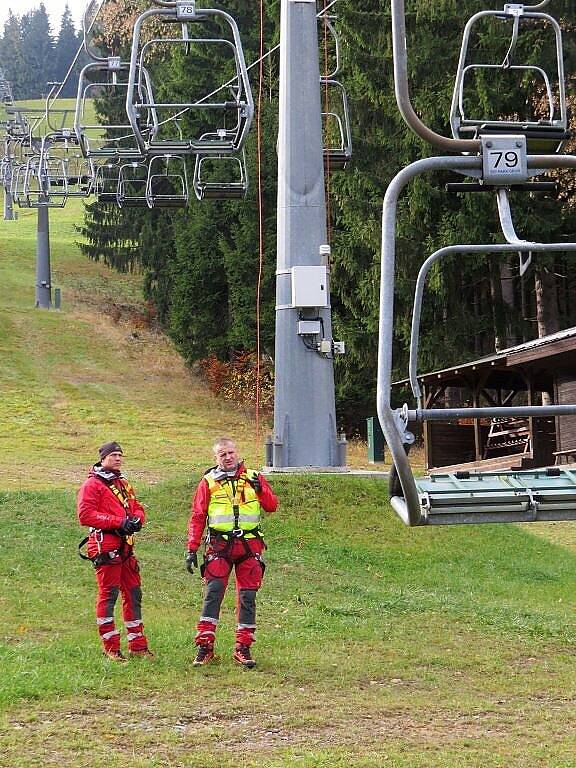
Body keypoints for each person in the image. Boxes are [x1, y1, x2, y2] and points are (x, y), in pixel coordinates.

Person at [186, 437, 278, 668]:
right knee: (213, 594)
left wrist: (261, 490)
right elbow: (197, 517)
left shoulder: (254, 477)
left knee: (248, 597)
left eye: (231, 453)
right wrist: (191, 549)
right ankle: (204, 647)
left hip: (249, 546)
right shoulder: (207, 482)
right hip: (219, 546)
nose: (228, 457)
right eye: (222, 454)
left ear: (237, 453)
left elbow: (271, 506)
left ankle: (243, 648)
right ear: (215, 458)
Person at [77, 441, 153, 661]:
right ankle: (110, 647)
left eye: (120, 455)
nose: (118, 459)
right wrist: (119, 522)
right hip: (105, 545)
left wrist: (138, 519)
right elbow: (86, 515)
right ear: (103, 458)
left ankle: (137, 646)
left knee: (133, 594)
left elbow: (135, 505)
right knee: (108, 595)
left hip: (126, 547)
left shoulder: (123, 483)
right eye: (113, 455)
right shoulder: (92, 485)